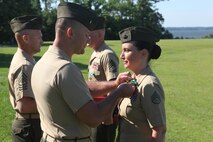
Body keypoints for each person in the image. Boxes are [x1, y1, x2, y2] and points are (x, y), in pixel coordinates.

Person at [31, 2, 135, 142]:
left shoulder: (43, 62)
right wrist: (119, 92)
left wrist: (115, 83)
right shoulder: (65, 69)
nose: (87, 40)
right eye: (86, 34)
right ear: (70, 33)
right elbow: (94, 118)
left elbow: (80, 87)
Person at [116, 26, 166, 142]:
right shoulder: (132, 79)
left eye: (127, 50)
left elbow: (159, 130)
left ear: (143, 53)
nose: (121, 56)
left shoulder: (149, 85)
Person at [8, 15, 43, 142]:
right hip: (29, 128)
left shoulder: (27, 60)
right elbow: (25, 105)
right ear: (26, 38)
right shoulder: (24, 65)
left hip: (30, 125)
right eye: (39, 36)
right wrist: (54, 104)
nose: (42, 41)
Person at [87, 16, 119, 142]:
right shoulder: (96, 52)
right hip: (95, 110)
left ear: (100, 34)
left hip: (104, 113)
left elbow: (114, 86)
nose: (87, 37)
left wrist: (108, 116)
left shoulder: (107, 55)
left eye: (90, 34)